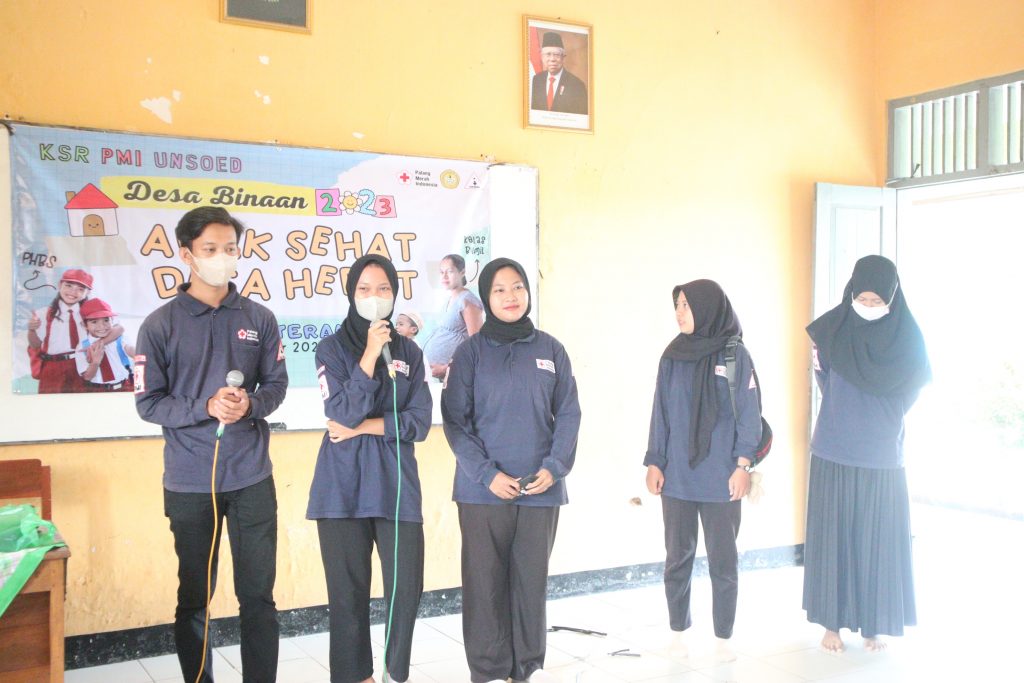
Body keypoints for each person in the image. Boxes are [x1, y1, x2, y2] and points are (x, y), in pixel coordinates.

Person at [135, 206, 288, 683]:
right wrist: (204, 406)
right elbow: (148, 403)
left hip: (251, 478)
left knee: (258, 597)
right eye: (210, 249)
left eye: (229, 248)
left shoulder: (259, 317)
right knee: (195, 599)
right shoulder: (159, 325)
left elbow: (277, 386)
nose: (222, 257)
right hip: (189, 482)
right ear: (187, 255)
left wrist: (250, 405)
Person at [442, 257, 581, 683]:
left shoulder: (551, 349)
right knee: (484, 584)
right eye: (499, 289)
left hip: (541, 488)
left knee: (530, 583)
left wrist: (554, 468)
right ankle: (488, 670)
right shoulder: (469, 353)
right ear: (486, 297)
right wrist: (487, 474)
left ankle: (528, 667)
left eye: (517, 286)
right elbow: (455, 422)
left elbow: (569, 414)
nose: (511, 296)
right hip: (483, 491)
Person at [307, 254, 432, 683]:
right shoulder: (331, 348)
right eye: (364, 289)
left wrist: (363, 428)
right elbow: (341, 410)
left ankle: (394, 673)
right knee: (347, 597)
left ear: (394, 294)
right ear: (351, 294)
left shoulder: (410, 352)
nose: (374, 297)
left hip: (396, 486)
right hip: (341, 487)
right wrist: (370, 353)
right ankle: (356, 677)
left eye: (383, 289)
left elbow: (419, 423)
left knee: (406, 589)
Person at [803, 255, 930, 653]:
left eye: (878, 301)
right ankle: (831, 625)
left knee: (877, 543)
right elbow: (823, 376)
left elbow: (912, 389)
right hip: (834, 447)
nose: (869, 306)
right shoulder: (830, 330)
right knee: (834, 540)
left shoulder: (908, 338)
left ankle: (873, 627)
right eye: (863, 299)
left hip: (882, 454)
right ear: (852, 293)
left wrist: (882, 416)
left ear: (892, 298)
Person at [643, 280, 761, 662]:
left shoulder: (734, 355)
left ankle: (723, 638)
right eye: (677, 305)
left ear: (708, 308)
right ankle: (678, 633)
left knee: (723, 562)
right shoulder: (672, 355)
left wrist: (743, 465)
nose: (679, 313)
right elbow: (660, 412)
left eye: (686, 305)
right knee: (677, 558)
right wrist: (654, 460)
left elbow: (750, 415)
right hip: (676, 477)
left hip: (722, 478)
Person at [27, 267, 121, 393]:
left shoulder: (91, 312)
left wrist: (98, 344)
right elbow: (35, 345)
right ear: (60, 285)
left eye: (80, 289)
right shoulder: (44, 313)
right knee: (50, 401)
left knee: (85, 401)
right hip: (53, 366)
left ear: (87, 292)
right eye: (69, 285)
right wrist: (32, 330)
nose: (73, 292)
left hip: (83, 363)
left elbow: (119, 328)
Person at [421, 254, 483, 380]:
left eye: (450, 271)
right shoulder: (449, 299)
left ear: (462, 272)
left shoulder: (468, 301)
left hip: (454, 376)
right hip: (437, 377)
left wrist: (447, 369)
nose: (444, 276)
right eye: (441, 272)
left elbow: (477, 346)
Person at [75, 297, 134, 392]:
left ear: (112, 320)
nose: (102, 326)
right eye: (94, 322)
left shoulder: (119, 337)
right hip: (99, 390)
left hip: (125, 385)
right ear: (84, 325)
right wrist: (95, 362)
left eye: (106, 320)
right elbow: (87, 377)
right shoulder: (82, 347)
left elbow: (130, 349)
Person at [530, 31, 588, 115]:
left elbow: (581, 118)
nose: (552, 59)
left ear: (563, 58)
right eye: (548, 54)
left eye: (556, 55)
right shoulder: (536, 80)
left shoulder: (577, 85)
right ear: (542, 57)